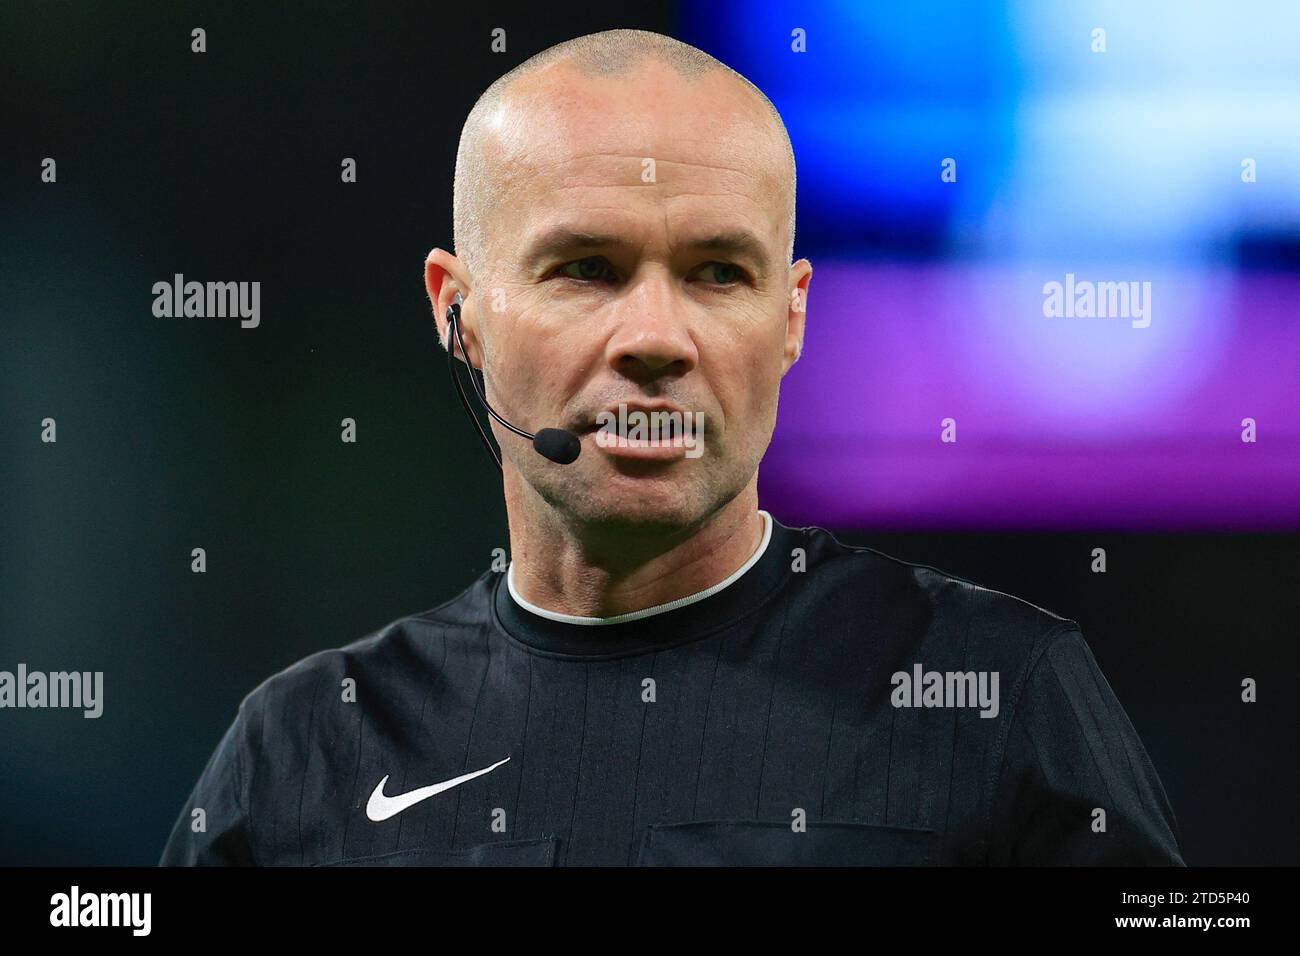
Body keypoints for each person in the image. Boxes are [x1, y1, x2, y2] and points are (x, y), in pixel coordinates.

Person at [160, 28, 1183, 866]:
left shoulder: (999, 694)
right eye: (587, 268)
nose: (655, 338)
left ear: (791, 318)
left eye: (718, 273)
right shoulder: (304, 749)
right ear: (458, 312)